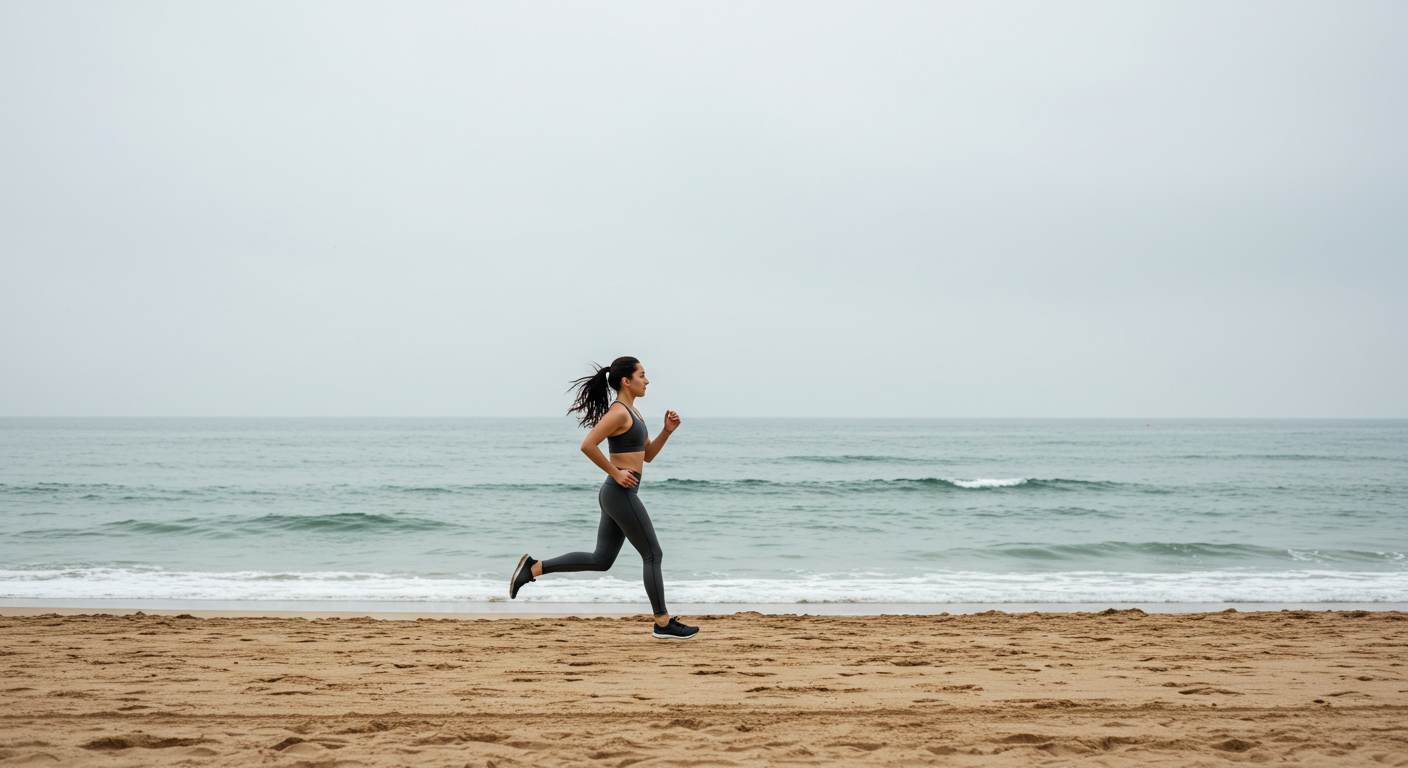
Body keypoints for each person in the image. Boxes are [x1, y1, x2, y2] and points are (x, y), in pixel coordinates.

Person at [509, 356, 698, 640]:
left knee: (601, 559)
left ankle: (533, 568)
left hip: (618, 493)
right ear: (626, 381)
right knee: (652, 554)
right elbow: (588, 445)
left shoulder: (634, 412)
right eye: (642, 375)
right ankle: (662, 622)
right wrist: (616, 472)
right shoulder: (619, 412)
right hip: (619, 492)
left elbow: (647, 455)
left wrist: (666, 432)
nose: (647, 381)